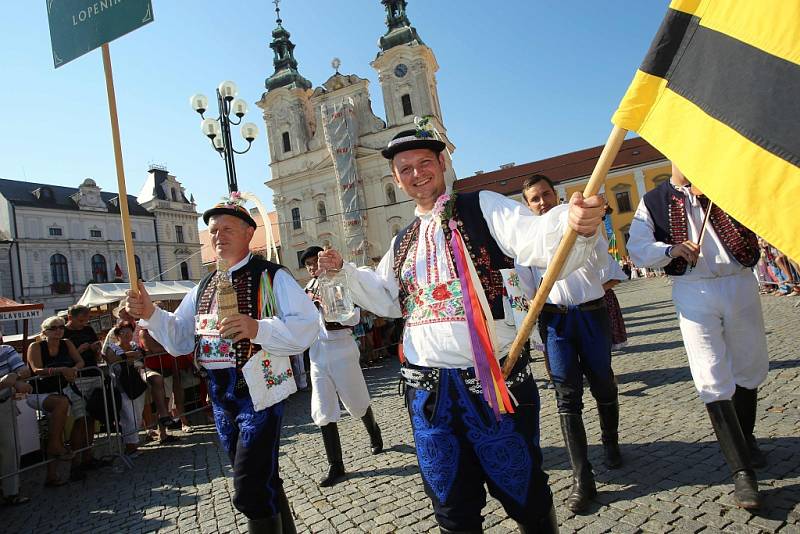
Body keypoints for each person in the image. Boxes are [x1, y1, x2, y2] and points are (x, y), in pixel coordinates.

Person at [317, 124, 606, 533]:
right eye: (405, 169)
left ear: (443, 163)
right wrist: (344, 273)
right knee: (451, 507)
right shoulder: (404, 240)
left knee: (527, 496)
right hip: (428, 395)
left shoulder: (482, 206)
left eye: (424, 163)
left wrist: (572, 223)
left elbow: (534, 237)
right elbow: (384, 296)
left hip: (494, 384)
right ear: (396, 179)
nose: (417, 174)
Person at [125, 195, 318, 533]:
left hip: (258, 390)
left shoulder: (271, 276)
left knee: (249, 487)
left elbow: (308, 325)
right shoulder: (203, 286)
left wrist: (259, 328)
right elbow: (181, 337)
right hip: (218, 394)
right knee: (262, 476)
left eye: (227, 228)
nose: (218, 236)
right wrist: (151, 313)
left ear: (248, 233)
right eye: (213, 230)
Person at [628, 162, 766, 510]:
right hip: (693, 290)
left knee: (749, 368)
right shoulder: (654, 200)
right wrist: (670, 250)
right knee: (710, 374)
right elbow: (638, 247)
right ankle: (742, 473)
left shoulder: (725, 185)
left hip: (739, 282)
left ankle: (745, 437)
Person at [518, 174, 624, 513]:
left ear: (557, 194)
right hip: (555, 321)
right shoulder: (526, 245)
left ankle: (610, 441)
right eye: (535, 199)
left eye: (546, 194)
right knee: (566, 395)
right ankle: (583, 478)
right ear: (527, 205)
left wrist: (584, 239)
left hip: (591, 315)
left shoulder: (582, 224)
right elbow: (525, 292)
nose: (542, 202)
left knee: (603, 383)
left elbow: (608, 270)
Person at [300, 245, 383, 488]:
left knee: (356, 401)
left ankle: (374, 430)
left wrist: (332, 311)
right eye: (308, 265)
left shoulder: (339, 282)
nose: (312, 268)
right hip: (317, 352)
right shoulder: (306, 290)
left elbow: (354, 318)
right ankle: (336, 465)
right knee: (323, 408)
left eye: (315, 262)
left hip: (342, 348)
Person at [26, 315, 84, 485]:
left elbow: (79, 361)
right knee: (60, 409)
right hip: (41, 393)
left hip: (65, 389)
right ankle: (55, 457)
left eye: (61, 327)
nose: (59, 330)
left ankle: (70, 467)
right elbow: (36, 369)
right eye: (54, 328)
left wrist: (72, 370)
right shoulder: (36, 346)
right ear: (44, 331)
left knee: (76, 422)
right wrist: (61, 370)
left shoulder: (67, 343)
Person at [63, 304, 104, 471]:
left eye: (86, 320)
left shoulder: (88, 330)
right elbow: (63, 358)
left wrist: (96, 349)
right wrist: (77, 351)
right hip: (76, 379)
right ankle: (76, 461)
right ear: (70, 317)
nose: (83, 323)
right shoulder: (64, 333)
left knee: (91, 417)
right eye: (81, 320)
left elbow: (96, 352)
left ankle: (88, 456)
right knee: (80, 419)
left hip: (92, 373)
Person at [103, 320, 149, 456]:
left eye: (129, 331)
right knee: (128, 416)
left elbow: (141, 355)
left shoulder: (134, 345)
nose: (127, 334)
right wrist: (127, 355)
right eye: (124, 332)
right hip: (121, 385)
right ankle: (130, 446)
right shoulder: (112, 347)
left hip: (137, 383)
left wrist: (126, 356)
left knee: (137, 414)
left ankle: (134, 444)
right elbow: (113, 359)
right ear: (118, 334)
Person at [0, 328, 32, 504]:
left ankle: (11, 492)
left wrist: (15, 377)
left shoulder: (6, 350)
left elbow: (24, 370)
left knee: (11, 449)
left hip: (3, 405)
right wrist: (4, 382)